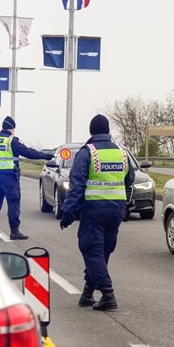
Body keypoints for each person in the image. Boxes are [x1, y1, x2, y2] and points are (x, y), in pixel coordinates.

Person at [60, 114, 135, 310]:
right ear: (108, 131)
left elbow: (76, 186)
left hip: (94, 210)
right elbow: (130, 180)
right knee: (102, 251)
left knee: (92, 250)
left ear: (91, 131)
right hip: (116, 210)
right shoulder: (122, 152)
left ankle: (108, 294)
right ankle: (87, 294)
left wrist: (67, 213)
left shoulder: (87, 153)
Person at [0, 116, 54, 240]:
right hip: (9, 178)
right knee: (13, 203)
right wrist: (46, 156)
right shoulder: (12, 141)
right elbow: (29, 152)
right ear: (12, 128)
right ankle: (14, 231)